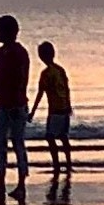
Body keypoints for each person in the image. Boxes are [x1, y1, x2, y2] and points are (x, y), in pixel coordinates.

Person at [0, 14, 31, 204]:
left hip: (16, 105)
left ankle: (21, 185)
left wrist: (17, 102)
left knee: (18, 144)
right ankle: (1, 183)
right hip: (1, 104)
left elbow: (22, 79)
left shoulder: (20, 53)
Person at [32, 39, 74, 177]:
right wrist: (69, 105)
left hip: (55, 110)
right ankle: (68, 163)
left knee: (50, 137)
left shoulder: (46, 73)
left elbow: (40, 93)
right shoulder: (60, 70)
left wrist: (32, 111)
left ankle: (57, 164)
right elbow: (67, 89)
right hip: (64, 109)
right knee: (63, 137)